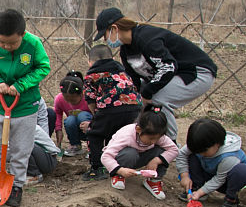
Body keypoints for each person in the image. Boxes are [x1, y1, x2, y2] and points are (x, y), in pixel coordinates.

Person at [93, 7, 217, 140]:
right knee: (139, 99)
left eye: (105, 35)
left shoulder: (146, 38)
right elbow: (133, 81)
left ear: (114, 28)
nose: (105, 40)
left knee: (158, 98)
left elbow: (168, 67)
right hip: (173, 74)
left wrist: (146, 93)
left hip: (196, 72)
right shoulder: (126, 51)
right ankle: (136, 138)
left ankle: (169, 142)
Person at [0, 9, 50, 207]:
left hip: (26, 105)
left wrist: (20, 85)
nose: (7, 46)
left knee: (21, 149)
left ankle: (17, 185)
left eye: (12, 43)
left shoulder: (33, 44)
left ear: (22, 34)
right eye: (2, 42)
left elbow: (43, 67)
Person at [81, 43, 142, 181]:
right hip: (134, 108)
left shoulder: (92, 75)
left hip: (110, 108)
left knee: (95, 135)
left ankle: (97, 168)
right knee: (116, 135)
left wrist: (96, 116)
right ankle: (115, 164)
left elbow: (90, 99)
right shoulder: (123, 72)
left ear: (90, 61)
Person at [174, 117, 246, 207]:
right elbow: (182, 154)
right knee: (192, 155)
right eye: (199, 151)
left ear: (217, 144)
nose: (201, 153)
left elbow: (219, 179)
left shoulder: (230, 156)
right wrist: (184, 176)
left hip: (229, 181)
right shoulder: (200, 144)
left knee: (241, 171)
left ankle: (232, 199)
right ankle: (196, 186)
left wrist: (199, 193)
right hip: (210, 172)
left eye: (203, 151)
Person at [102, 106, 179, 200]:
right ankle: (118, 175)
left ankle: (154, 181)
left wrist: (157, 160)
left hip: (140, 157)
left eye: (157, 138)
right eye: (151, 139)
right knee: (130, 153)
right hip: (122, 160)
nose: (154, 142)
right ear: (138, 130)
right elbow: (106, 156)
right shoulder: (126, 135)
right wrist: (120, 170)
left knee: (162, 152)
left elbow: (174, 150)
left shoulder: (156, 134)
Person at [53, 71, 93, 156]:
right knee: (69, 119)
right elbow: (58, 115)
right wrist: (58, 130)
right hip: (74, 129)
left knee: (82, 115)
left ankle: (92, 147)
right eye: (66, 99)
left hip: (91, 128)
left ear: (81, 93)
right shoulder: (59, 99)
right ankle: (75, 145)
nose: (69, 102)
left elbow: (98, 114)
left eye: (73, 100)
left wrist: (92, 125)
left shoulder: (89, 97)